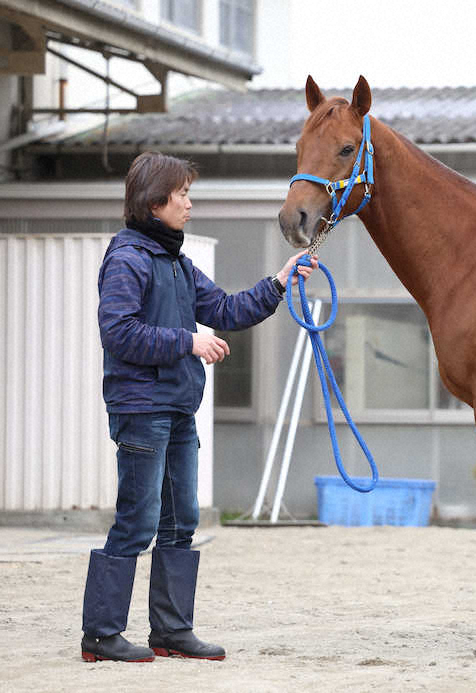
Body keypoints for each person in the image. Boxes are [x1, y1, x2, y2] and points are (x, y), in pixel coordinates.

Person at [81, 151, 317, 663]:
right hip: (142, 410)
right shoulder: (127, 259)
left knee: (180, 520)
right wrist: (188, 343)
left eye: (189, 193)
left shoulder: (178, 265)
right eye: (182, 194)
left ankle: (170, 632)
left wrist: (280, 279)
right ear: (154, 201)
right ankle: (100, 635)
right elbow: (117, 332)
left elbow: (228, 310)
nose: (190, 203)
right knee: (137, 521)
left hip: (178, 409)